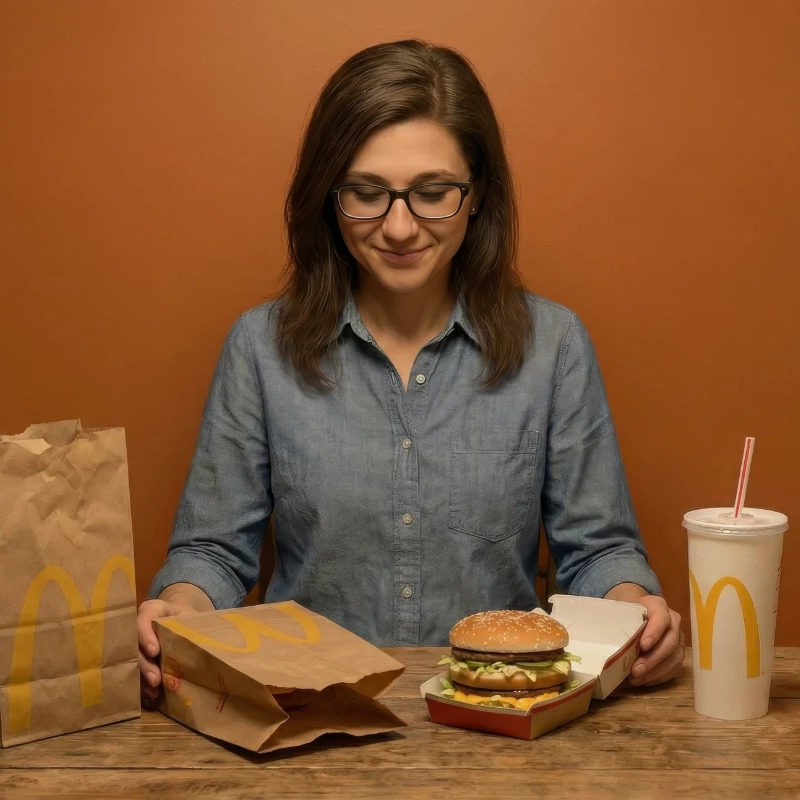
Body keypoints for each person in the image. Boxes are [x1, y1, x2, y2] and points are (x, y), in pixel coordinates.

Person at [138, 39, 683, 705]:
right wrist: (180, 607)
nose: (399, 227)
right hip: (309, 713)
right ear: (328, 197)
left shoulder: (554, 345)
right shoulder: (259, 346)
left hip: (502, 718)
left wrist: (636, 607)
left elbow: (596, 553)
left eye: (433, 193)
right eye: (367, 193)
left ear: (478, 195)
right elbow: (214, 554)